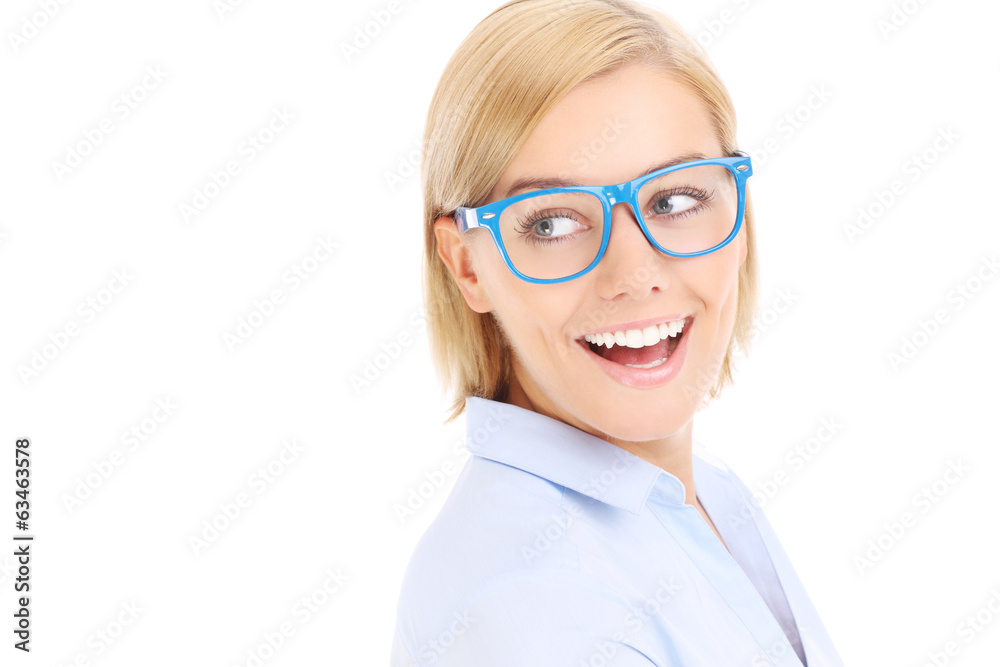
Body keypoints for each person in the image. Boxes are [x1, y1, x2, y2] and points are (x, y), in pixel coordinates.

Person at [391, 0, 844, 664]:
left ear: (738, 213)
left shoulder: (695, 492)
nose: (634, 274)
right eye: (553, 223)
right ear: (467, 265)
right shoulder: (540, 608)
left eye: (676, 200)